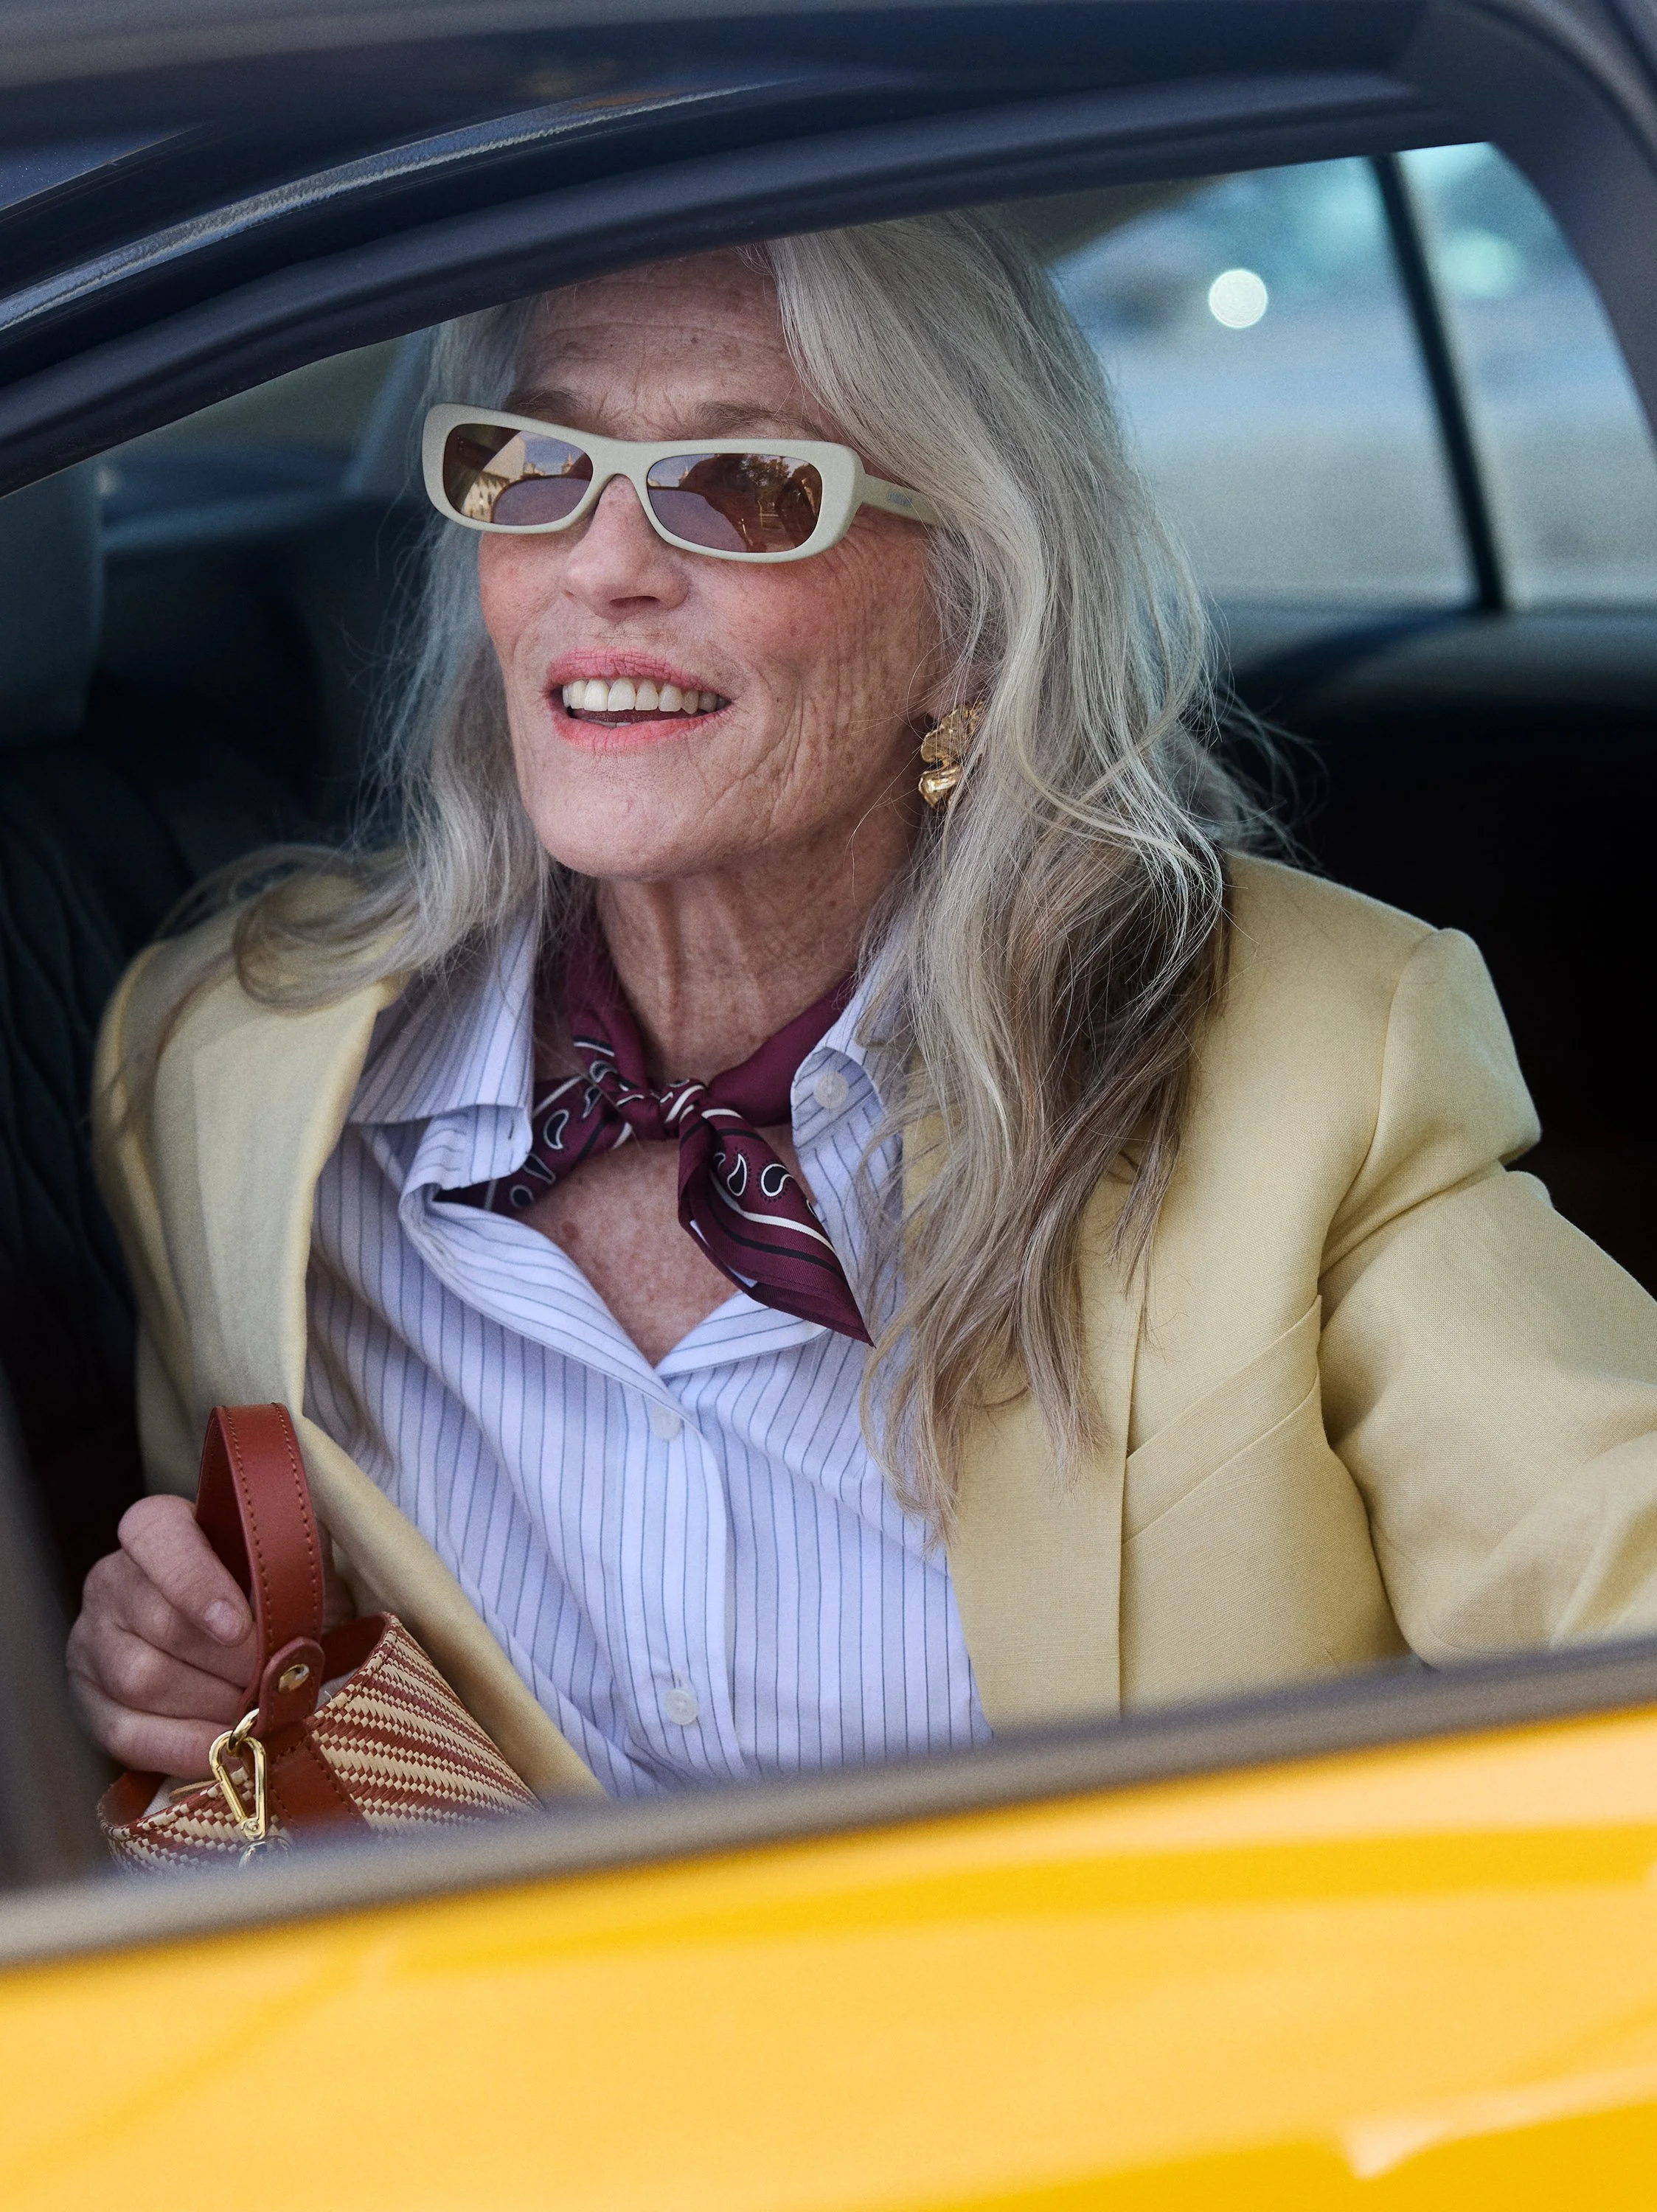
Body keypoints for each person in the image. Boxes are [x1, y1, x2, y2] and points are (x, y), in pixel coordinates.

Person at [66, 211, 1657, 1802]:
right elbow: (264, 1729)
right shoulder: (227, 1074)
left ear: (972, 621)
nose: (602, 564)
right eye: (536, 463)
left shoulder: (1313, 1059)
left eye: (745, 483)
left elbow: (1619, 1582)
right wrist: (189, 1677)